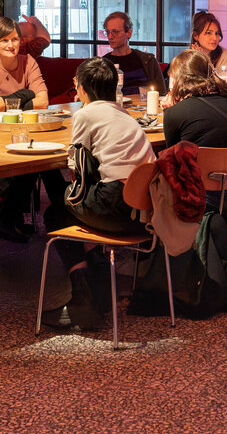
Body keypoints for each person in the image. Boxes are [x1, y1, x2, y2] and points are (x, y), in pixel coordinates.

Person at [40, 58, 154, 331]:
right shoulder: (125, 115)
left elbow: (76, 169)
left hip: (112, 209)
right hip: (144, 215)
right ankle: (97, 281)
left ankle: (83, 295)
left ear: (83, 89)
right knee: (69, 204)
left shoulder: (85, 114)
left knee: (56, 213)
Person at [0, 16, 63, 241]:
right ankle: (62, 209)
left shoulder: (28, 61)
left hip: (24, 131)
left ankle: (13, 217)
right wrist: (24, 95)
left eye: (14, 39)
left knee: (44, 159)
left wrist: (10, 101)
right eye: (4, 40)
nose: (11, 45)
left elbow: (43, 101)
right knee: (36, 161)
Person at [163, 49, 227, 216]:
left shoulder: (175, 113)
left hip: (200, 194)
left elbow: (172, 162)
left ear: (178, 78)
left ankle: (166, 240)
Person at [101, 10, 167, 97]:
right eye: (108, 32)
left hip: (143, 108)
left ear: (128, 33)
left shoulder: (147, 60)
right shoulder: (103, 63)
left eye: (115, 32)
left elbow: (161, 92)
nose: (110, 36)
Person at [189, 10, 227, 79]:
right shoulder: (188, 57)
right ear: (195, 35)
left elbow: (223, 85)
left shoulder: (226, 56)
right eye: (208, 33)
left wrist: (205, 60)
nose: (215, 38)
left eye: (217, 33)